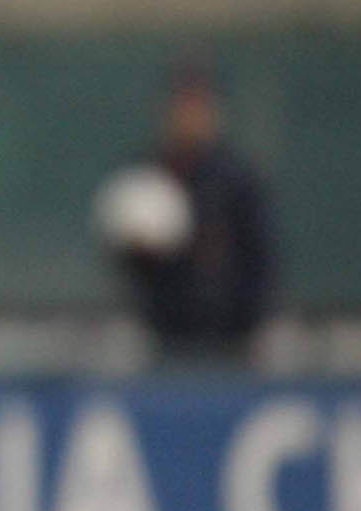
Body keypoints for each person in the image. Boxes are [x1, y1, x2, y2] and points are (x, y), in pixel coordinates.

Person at [104, 68, 275, 363]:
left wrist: (247, 320)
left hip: (231, 340)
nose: (190, 118)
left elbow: (260, 257)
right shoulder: (150, 175)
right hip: (165, 337)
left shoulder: (236, 180)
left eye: (198, 107)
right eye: (183, 107)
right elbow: (128, 265)